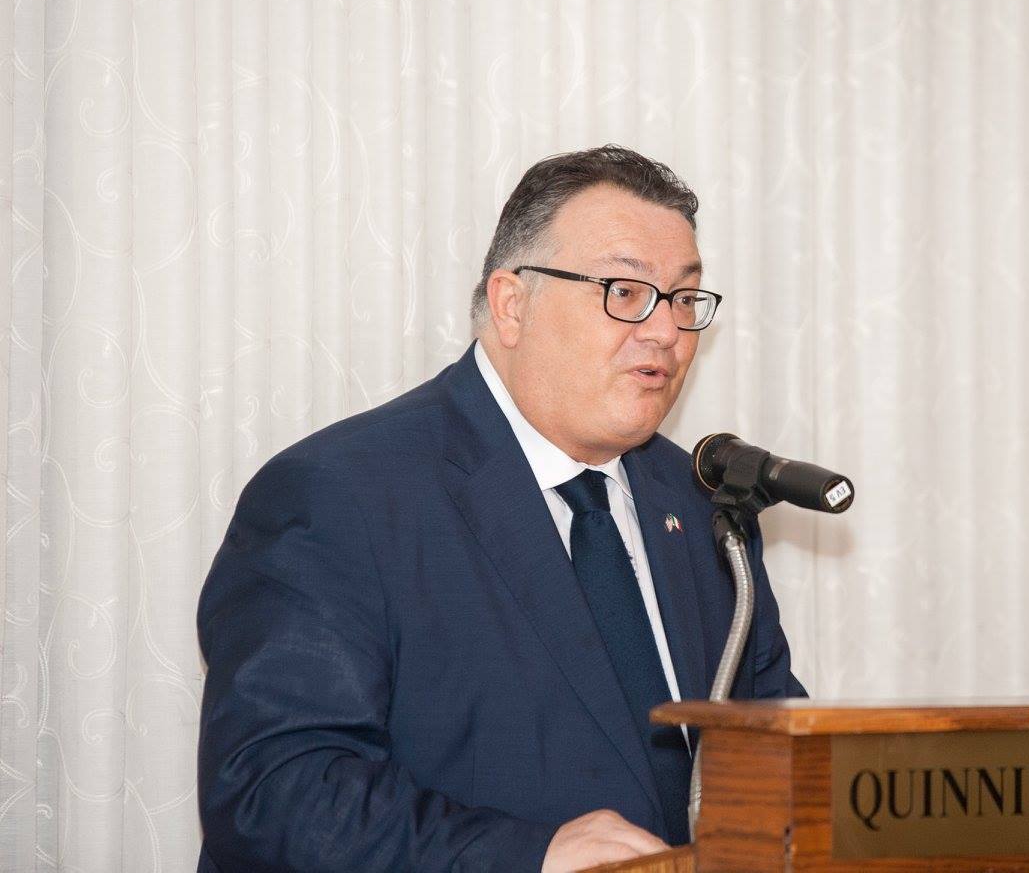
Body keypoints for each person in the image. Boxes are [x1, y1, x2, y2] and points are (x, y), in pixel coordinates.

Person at [195, 146, 805, 873]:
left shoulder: (702, 502)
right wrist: (530, 856)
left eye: (683, 298)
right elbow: (274, 794)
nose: (666, 331)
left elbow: (772, 748)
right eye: (625, 291)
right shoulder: (339, 495)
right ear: (513, 305)